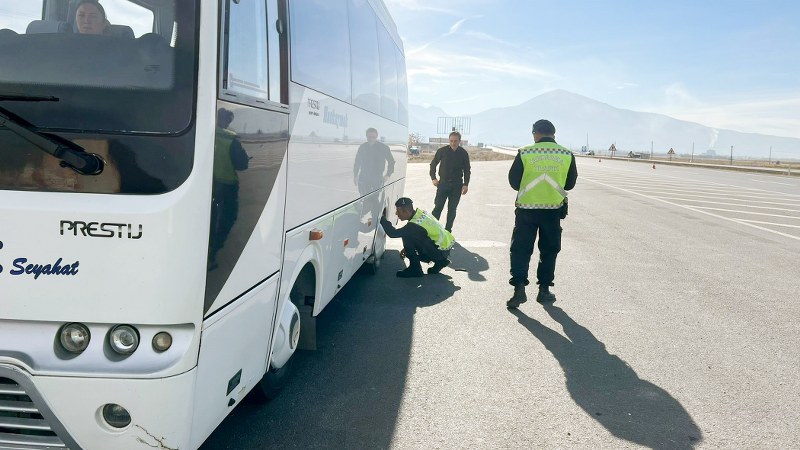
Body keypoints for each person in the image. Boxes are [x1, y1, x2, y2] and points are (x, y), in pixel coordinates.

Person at [506, 119, 577, 308]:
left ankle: (519, 288)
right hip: (553, 210)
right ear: (554, 134)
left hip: (527, 210)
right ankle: (544, 290)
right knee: (549, 250)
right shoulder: (566, 154)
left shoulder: (525, 152)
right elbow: (570, 184)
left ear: (535, 134)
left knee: (520, 248)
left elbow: (513, 182)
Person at [208, 108, 250, 269]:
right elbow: (242, 165)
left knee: (210, 217)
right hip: (227, 186)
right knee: (228, 218)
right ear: (227, 121)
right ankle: (214, 252)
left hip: (210, 183)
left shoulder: (208, 134)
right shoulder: (231, 139)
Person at [380, 197, 454, 278]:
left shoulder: (413, 225)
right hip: (445, 248)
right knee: (408, 234)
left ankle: (415, 269)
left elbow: (393, 233)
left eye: (398, 211)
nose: (396, 214)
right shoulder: (421, 213)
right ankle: (441, 262)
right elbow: (423, 235)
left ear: (406, 211)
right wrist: (406, 249)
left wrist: (381, 218)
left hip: (438, 251)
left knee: (406, 235)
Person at [429, 131, 470, 232]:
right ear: (449, 140)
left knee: (452, 210)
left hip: (457, 186)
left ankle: (448, 231)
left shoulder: (463, 153)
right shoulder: (442, 151)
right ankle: (433, 230)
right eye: (451, 141)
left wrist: (465, 185)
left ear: (459, 141)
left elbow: (467, 170)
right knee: (438, 207)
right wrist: (433, 178)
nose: (453, 143)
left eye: (455, 141)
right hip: (443, 184)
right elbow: (433, 164)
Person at [353, 127, 395, 195]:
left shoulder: (383, 147)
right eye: (369, 137)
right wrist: (355, 175)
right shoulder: (362, 147)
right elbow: (357, 162)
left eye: (373, 137)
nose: (371, 139)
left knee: (375, 199)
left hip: (377, 178)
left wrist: (388, 175)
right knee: (364, 198)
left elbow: (391, 162)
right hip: (364, 177)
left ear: (376, 136)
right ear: (366, 136)